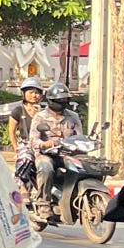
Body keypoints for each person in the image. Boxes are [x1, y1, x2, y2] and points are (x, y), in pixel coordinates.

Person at [29, 84, 83, 217]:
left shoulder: (73, 117)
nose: (62, 103)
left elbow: (80, 136)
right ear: (50, 101)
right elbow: (34, 140)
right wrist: (45, 144)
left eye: (65, 100)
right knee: (45, 168)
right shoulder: (40, 117)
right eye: (59, 101)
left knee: (86, 167)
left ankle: (77, 198)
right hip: (47, 154)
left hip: (67, 154)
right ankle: (43, 203)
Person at [6, 80, 44, 157]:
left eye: (37, 93)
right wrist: (16, 148)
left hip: (42, 147)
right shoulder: (18, 111)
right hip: (26, 148)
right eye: (31, 92)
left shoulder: (44, 112)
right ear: (23, 94)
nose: (34, 95)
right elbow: (11, 132)